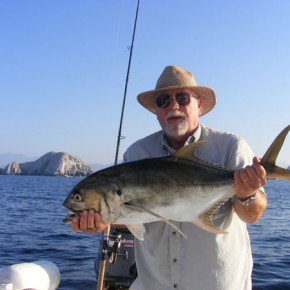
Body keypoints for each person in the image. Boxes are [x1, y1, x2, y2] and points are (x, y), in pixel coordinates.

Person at [72, 65, 268, 290]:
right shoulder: (136, 154)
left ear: (199, 105)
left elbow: (253, 215)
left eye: (183, 98)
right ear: (156, 110)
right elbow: (132, 217)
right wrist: (101, 221)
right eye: (164, 100)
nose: (173, 106)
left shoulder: (231, 147)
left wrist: (247, 194)